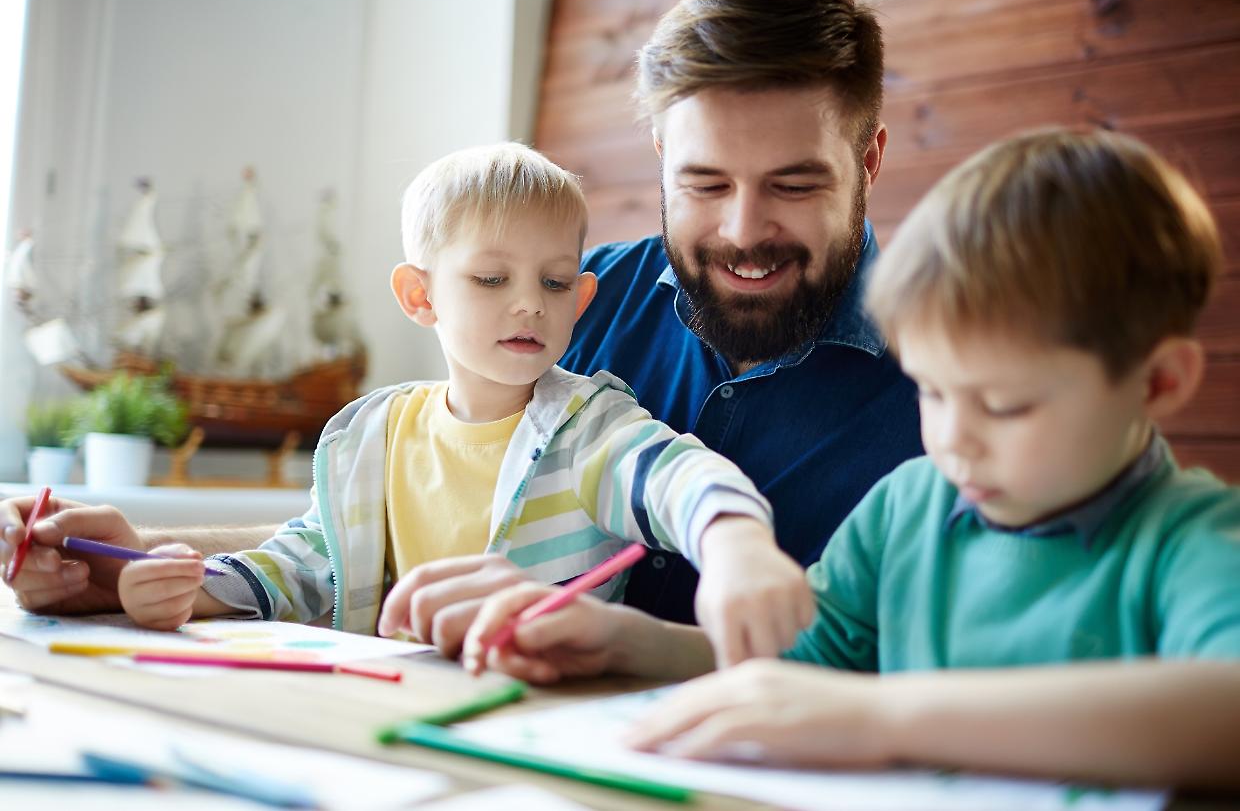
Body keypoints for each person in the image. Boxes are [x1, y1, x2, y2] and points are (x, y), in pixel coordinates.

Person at [2, 0, 922, 646]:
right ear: (658, 154)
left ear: (871, 159)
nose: (743, 230)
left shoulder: (956, 382)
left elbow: (933, 671)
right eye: (705, 182)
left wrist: (639, 642)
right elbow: (370, 527)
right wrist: (140, 564)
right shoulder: (567, 302)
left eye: (795, 185)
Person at [457, 129, 1240, 788]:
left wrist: (884, 718)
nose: (953, 440)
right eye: (932, 392)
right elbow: (800, 667)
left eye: (1004, 405)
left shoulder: (1190, 539)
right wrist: (626, 640)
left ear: (1159, 381)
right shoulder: (911, 505)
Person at [106, 143, 811, 656]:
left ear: (582, 300)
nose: (531, 304)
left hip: (539, 717)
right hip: (385, 710)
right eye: (492, 280)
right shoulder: (371, 437)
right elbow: (305, 559)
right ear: (420, 296)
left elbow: (681, 477)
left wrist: (735, 542)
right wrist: (197, 586)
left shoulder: (591, 426)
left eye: (556, 282)